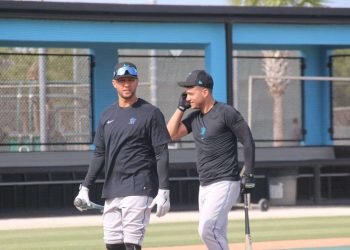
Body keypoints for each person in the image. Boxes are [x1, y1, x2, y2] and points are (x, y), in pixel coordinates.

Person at [74, 62, 171, 250]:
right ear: (114, 83)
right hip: (112, 189)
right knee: (113, 245)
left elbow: (161, 152)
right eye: (122, 80)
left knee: (131, 244)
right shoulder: (106, 115)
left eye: (130, 80)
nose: (126, 84)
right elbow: (99, 154)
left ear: (137, 82)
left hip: (139, 186)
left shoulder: (151, 113)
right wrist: (85, 187)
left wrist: (164, 189)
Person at [167, 70, 255, 250]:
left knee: (206, 229)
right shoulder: (194, 118)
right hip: (205, 184)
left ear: (205, 92)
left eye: (191, 93)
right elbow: (170, 135)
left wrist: (250, 174)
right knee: (217, 233)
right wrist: (180, 109)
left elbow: (247, 140)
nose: (187, 97)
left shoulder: (226, 112)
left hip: (225, 182)